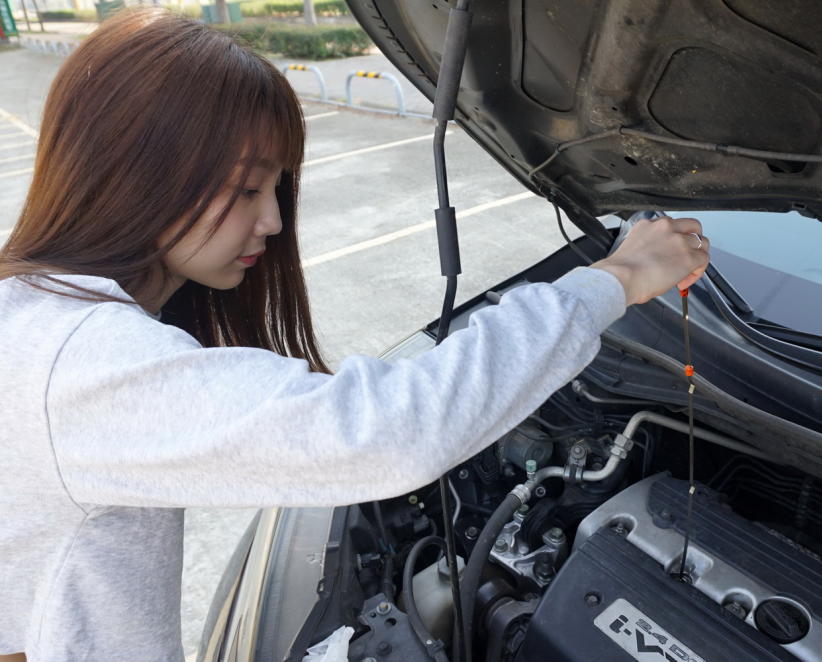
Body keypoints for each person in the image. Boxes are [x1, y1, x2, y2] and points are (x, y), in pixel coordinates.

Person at [0, 9, 710, 662]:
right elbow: (378, 433)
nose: (275, 222)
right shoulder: (74, 362)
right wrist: (612, 280)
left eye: (278, 188)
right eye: (247, 189)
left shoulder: (34, 318)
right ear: (135, 174)